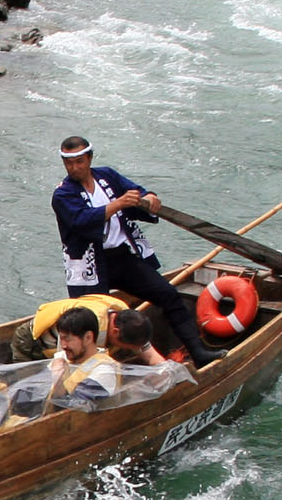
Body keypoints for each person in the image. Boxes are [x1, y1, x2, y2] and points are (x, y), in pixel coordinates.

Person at [51, 135, 222, 368]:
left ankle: (199, 352)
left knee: (168, 295)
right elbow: (82, 221)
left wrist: (149, 198)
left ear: (89, 159)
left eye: (79, 161)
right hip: (89, 265)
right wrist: (119, 204)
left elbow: (136, 192)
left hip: (120, 257)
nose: (74, 168)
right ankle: (89, 371)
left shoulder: (107, 176)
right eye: (69, 163)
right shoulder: (62, 194)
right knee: (89, 323)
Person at [9, 293, 131, 363]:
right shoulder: (92, 328)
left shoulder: (124, 312)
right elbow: (66, 356)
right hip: (31, 342)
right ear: (115, 332)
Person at [46, 305, 120, 409]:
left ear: (88, 337)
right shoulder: (63, 358)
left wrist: (58, 385)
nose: (63, 346)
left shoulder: (104, 371)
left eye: (67, 339)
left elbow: (73, 410)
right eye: (61, 339)